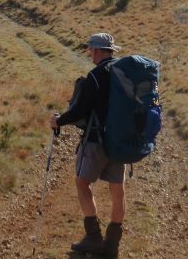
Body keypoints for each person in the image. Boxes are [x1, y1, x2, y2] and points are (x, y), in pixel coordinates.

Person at [49, 32, 125, 257]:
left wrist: (58, 121)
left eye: (91, 49)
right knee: (117, 190)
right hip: (119, 142)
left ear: (99, 50)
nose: (89, 53)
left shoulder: (95, 76)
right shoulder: (123, 73)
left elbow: (79, 110)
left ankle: (93, 237)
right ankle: (111, 246)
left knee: (82, 183)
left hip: (96, 141)